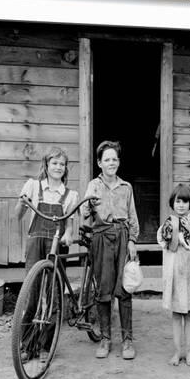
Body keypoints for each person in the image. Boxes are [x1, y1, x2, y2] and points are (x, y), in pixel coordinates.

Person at [15, 146, 78, 360]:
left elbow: (69, 224)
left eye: (62, 164)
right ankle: (26, 345)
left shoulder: (70, 195)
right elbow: (18, 215)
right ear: (47, 165)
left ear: (65, 168)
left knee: (54, 295)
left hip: (56, 245)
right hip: (35, 243)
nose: (58, 167)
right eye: (54, 163)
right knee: (32, 293)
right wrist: (22, 203)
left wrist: (68, 234)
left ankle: (45, 346)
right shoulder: (33, 186)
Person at [82, 140, 139, 360]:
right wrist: (89, 205)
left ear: (118, 162)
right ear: (99, 163)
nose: (111, 162)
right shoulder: (93, 186)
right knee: (104, 290)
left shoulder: (126, 187)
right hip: (101, 238)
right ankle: (105, 339)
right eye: (107, 159)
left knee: (124, 289)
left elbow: (133, 216)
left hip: (123, 236)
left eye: (114, 159)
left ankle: (127, 341)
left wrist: (133, 241)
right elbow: (85, 215)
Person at [157, 184, 190, 366]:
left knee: (189, 315)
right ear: (172, 203)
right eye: (178, 201)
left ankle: (189, 353)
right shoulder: (168, 224)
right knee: (177, 314)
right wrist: (177, 229)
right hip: (176, 272)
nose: (181, 205)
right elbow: (171, 246)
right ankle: (177, 352)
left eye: (185, 202)